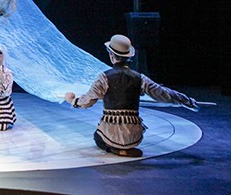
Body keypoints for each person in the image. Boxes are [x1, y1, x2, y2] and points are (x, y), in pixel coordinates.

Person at [64, 34, 199, 157]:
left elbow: (87, 101)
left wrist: (72, 100)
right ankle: (125, 147)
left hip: (111, 134)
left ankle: (115, 149)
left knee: (97, 137)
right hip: (134, 137)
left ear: (111, 55)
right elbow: (163, 93)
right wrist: (187, 101)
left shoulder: (104, 77)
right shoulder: (140, 78)